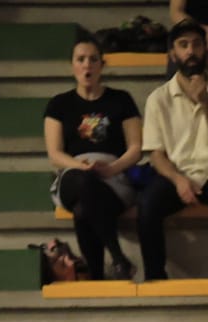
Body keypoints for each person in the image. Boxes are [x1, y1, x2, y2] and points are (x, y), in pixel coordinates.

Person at [137, 30, 208, 283]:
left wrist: (206, 101)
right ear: (172, 53)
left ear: (205, 50)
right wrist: (178, 180)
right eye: (183, 45)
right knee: (147, 205)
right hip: (175, 174)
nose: (190, 51)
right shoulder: (158, 98)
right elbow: (156, 154)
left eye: (197, 44)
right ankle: (155, 278)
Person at [45, 34, 142, 281]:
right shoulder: (59, 104)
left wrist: (112, 168)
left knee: (83, 208)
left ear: (102, 65)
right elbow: (55, 153)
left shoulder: (121, 99)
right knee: (84, 182)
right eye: (81, 59)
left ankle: (97, 275)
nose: (87, 65)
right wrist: (80, 166)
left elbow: (136, 147)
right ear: (72, 65)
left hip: (112, 175)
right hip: (72, 173)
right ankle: (118, 257)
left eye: (93, 59)